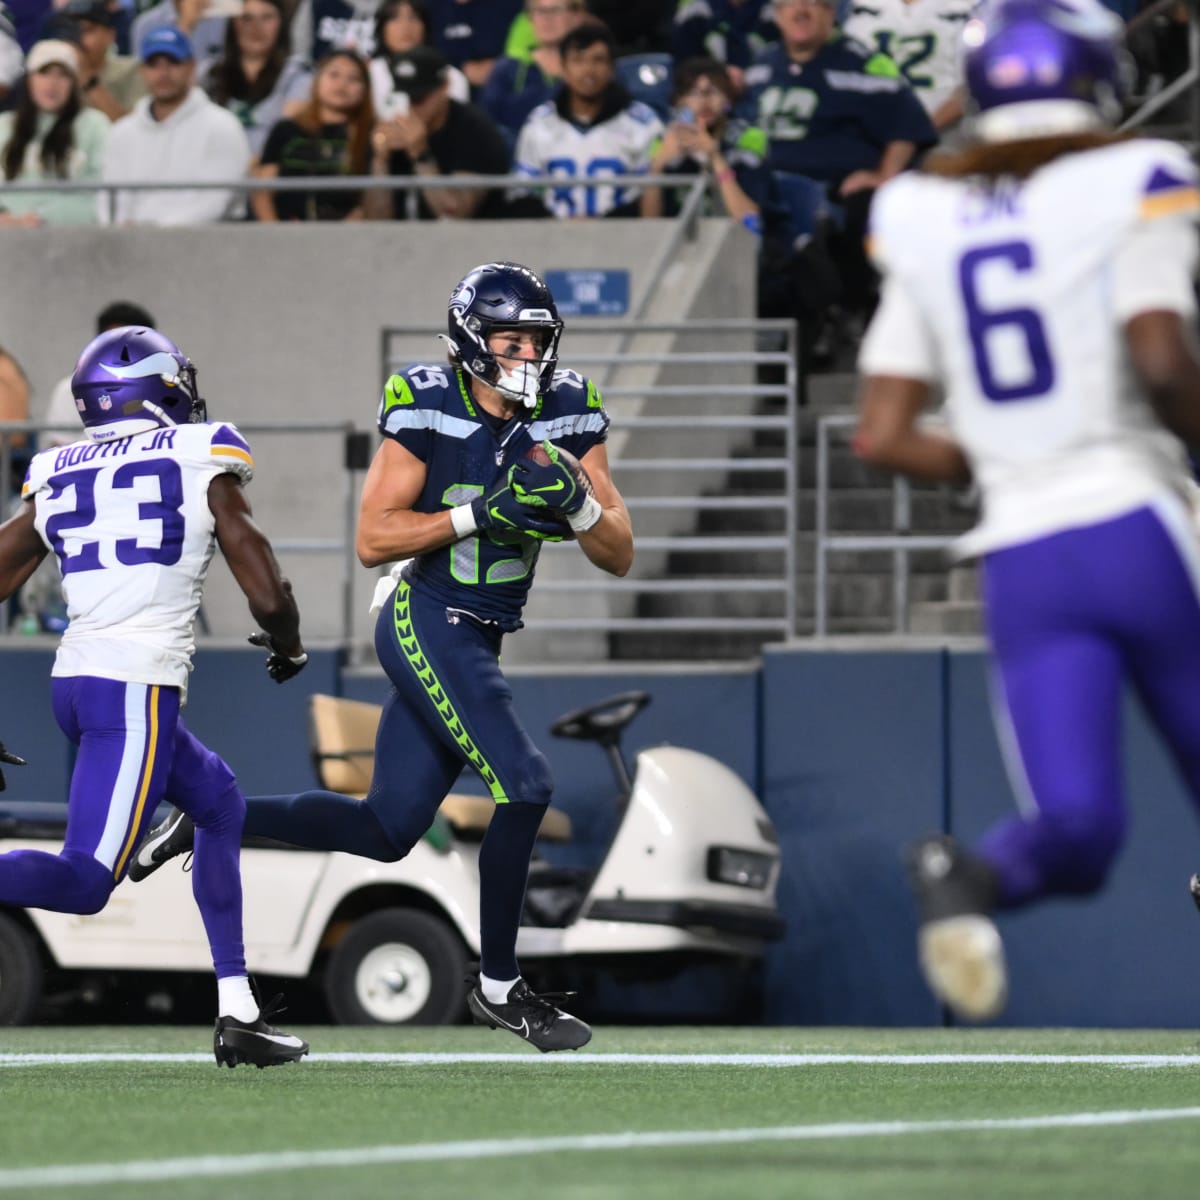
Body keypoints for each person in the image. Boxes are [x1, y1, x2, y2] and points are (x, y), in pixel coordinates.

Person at [132, 261, 635, 1051]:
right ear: (473, 341)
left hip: (482, 631)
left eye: (539, 341)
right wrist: (482, 516)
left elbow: (619, 552)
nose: (529, 356)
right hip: (425, 613)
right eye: (512, 340)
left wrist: (576, 502)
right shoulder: (427, 400)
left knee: (386, 828)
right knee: (527, 783)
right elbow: (374, 539)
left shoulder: (569, 406)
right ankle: (502, 987)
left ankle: (205, 819)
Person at [851, 0, 1200, 1022]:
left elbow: (880, 431)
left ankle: (968, 881)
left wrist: (1012, 453)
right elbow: (1160, 356)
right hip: (1134, 522)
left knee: (1081, 830)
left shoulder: (925, 212)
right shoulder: (1135, 180)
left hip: (1021, 558)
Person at [0, 324, 310, 1066]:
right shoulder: (198, 449)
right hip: (131, 689)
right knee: (85, 883)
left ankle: (239, 1010)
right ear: (157, 388)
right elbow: (258, 569)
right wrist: (290, 639)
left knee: (220, 802)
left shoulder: (59, 466)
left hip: (79, 682)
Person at [100, 26, 252, 225]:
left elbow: (216, 202)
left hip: (207, 247)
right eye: (153, 64)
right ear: (142, 71)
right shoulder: (121, 133)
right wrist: (126, 232)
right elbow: (109, 201)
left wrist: (157, 232)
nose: (163, 72)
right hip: (132, 247)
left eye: (173, 62)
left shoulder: (223, 127)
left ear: (191, 67)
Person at [512, 23, 663, 219]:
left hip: (622, 240)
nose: (588, 70)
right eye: (578, 60)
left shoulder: (644, 123)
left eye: (598, 60)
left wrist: (602, 226)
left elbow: (650, 197)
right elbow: (523, 194)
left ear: (611, 69)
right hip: (553, 241)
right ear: (563, 68)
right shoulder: (538, 124)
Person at [363, 43, 511, 221]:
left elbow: (454, 214)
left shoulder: (474, 130)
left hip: (472, 244)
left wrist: (421, 155)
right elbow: (374, 222)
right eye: (407, 96)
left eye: (420, 98)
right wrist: (380, 160)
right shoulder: (390, 131)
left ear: (445, 86)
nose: (412, 107)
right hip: (398, 243)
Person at [640, 55, 767, 223]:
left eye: (713, 91)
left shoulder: (749, 137)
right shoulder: (664, 141)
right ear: (678, 101)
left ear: (728, 98)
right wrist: (657, 167)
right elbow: (649, 223)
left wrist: (716, 159)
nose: (704, 101)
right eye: (693, 92)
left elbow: (749, 221)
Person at [253, 48, 373, 221]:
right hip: (286, 236)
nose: (342, 84)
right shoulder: (286, 130)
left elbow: (372, 199)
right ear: (317, 80)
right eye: (334, 74)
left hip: (346, 238)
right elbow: (262, 194)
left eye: (353, 78)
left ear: (365, 89)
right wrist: (276, 232)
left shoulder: (371, 136)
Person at [0, 38, 109, 225]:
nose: (52, 83)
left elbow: (101, 196)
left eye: (63, 75)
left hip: (72, 238)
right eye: (44, 73)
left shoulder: (95, 125)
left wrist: (43, 218)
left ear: (74, 83)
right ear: (29, 79)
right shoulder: (4, 126)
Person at [842, 0, 977, 133]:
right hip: (872, 138)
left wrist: (919, 136)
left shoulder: (968, 8)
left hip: (948, 138)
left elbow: (970, 91)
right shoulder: (861, 7)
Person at [201, 0, 311, 159]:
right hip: (213, 168)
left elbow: (286, 136)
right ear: (233, 24)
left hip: (269, 172)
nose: (256, 27)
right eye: (247, 18)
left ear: (281, 24)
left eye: (267, 17)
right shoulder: (208, 74)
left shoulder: (298, 75)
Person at [478, 0, 587, 147]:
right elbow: (487, 127)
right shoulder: (506, 69)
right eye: (539, 11)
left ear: (576, 16)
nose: (547, 18)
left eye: (556, 10)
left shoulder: (595, 67)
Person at [368, 0, 468, 118]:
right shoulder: (366, 74)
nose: (405, 26)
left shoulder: (451, 77)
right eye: (394, 18)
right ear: (382, 29)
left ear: (425, 27)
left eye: (414, 18)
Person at [60, 0, 145, 121]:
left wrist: (88, 80)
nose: (77, 39)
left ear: (110, 35)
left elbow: (134, 130)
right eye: (70, 31)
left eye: (87, 30)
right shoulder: (53, 73)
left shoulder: (132, 70)